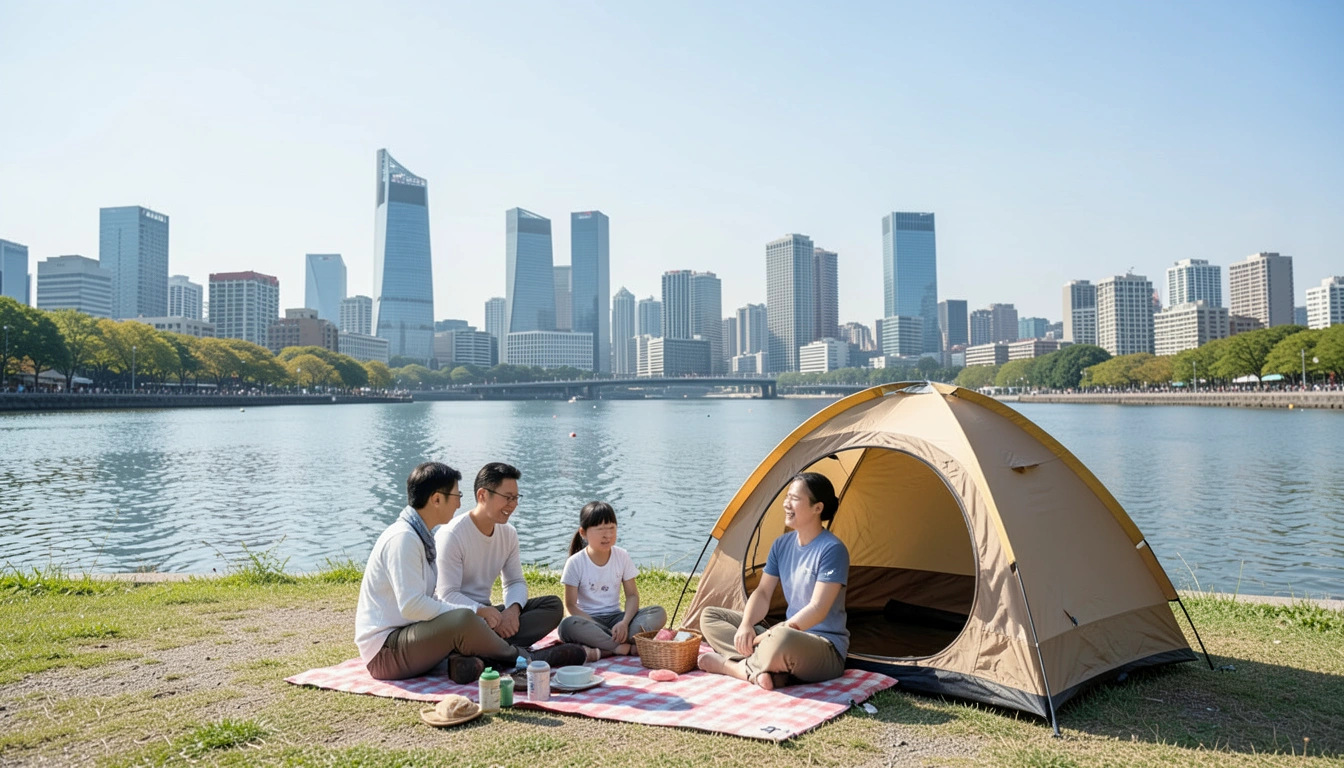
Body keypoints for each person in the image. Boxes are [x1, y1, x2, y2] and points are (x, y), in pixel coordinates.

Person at [355, 461, 584, 684]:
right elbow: (412, 605)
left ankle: (477, 658)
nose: (458, 504)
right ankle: (522, 657)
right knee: (464, 618)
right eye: (456, 496)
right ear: (436, 499)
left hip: (420, 634)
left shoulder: (419, 536)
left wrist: (507, 612)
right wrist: (474, 614)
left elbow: (431, 600)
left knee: (547, 605)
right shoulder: (404, 538)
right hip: (385, 652)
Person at [697, 472, 849, 690]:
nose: (786, 504)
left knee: (782, 637)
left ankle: (733, 668)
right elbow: (763, 593)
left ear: (818, 508)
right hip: (780, 638)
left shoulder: (832, 550)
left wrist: (769, 635)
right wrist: (746, 625)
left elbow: (818, 609)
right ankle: (769, 669)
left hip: (823, 647)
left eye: (795, 499)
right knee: (710, 616)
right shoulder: (781, 545)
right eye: (787, 497)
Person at [435, 462, 583, 668]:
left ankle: (482, 653)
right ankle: (519, 656)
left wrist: (512, 610)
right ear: (482, 495)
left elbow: (515, 581)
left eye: (515, 498)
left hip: (491, 619)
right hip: (460, 620)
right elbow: (446, 595)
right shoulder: (452, 535)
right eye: (507, 498)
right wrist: (481, 612)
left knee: (552, 605)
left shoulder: (508, 533)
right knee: (469, 624)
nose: (512, 505)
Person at [557, 501, 666, 657]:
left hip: (617, 619)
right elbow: (571, 606)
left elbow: (632, 595)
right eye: (600, 529)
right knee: (567, 626)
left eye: (611, 528)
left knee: (658, 612)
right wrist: (602, 630)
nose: (607, 535)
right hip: (589, 622)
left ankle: (607, 647)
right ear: (583, 533)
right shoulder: (575, 562)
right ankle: (625, 646)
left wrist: (624, 623)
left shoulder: (622, 556)